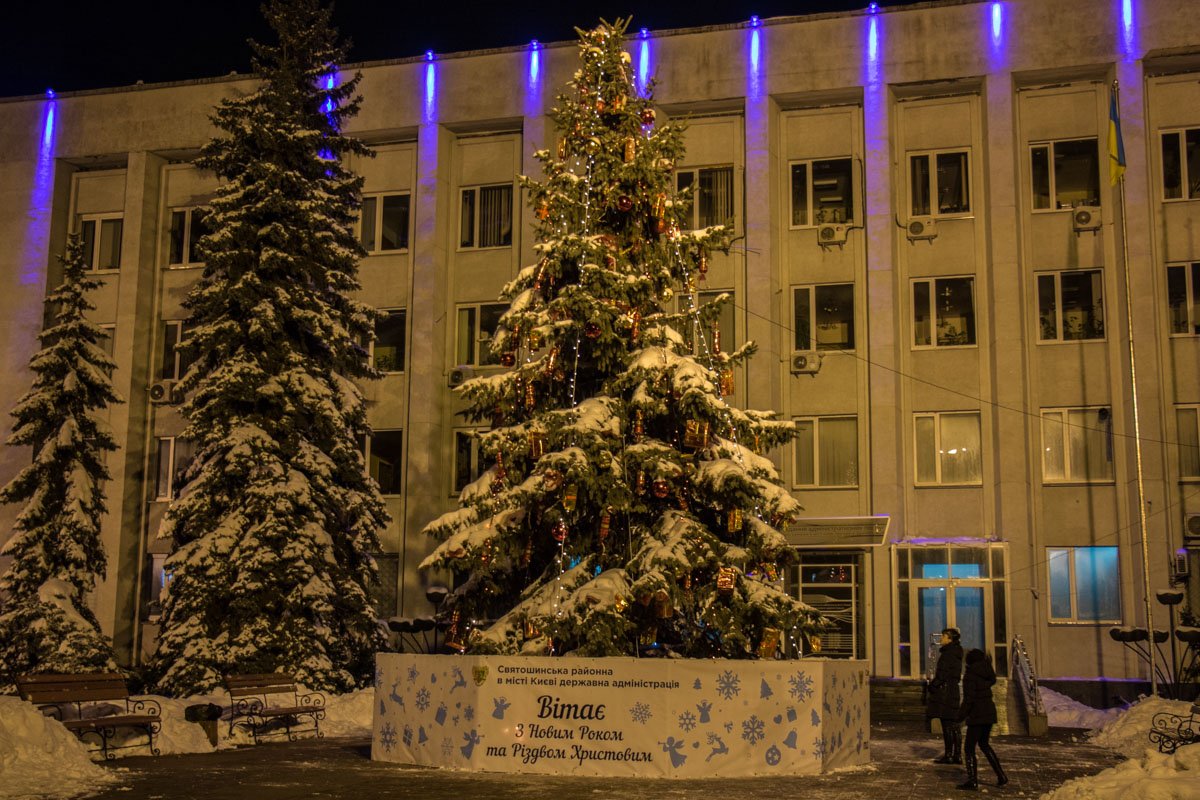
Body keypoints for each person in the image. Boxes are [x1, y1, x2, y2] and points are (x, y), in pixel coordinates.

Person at [956, 648, 1008, 790]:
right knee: (984, 745)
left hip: (977, 716)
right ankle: (1001, 775)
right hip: (989, 714)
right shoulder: (986, 673)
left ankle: (972, 781)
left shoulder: (971, 675)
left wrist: (960, 716)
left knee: (969, 748)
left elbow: (969, 700)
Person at [927, 627, 963, 764]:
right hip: (952, 691)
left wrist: (933, 686)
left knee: (947, 724)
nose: (941, 639)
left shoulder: (948, 654)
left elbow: (942, 674)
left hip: (945, 693)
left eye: (943, 636)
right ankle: (957, 755)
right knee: (954, 725)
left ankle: (949, 754)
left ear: (949, 639)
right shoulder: (956, 653)